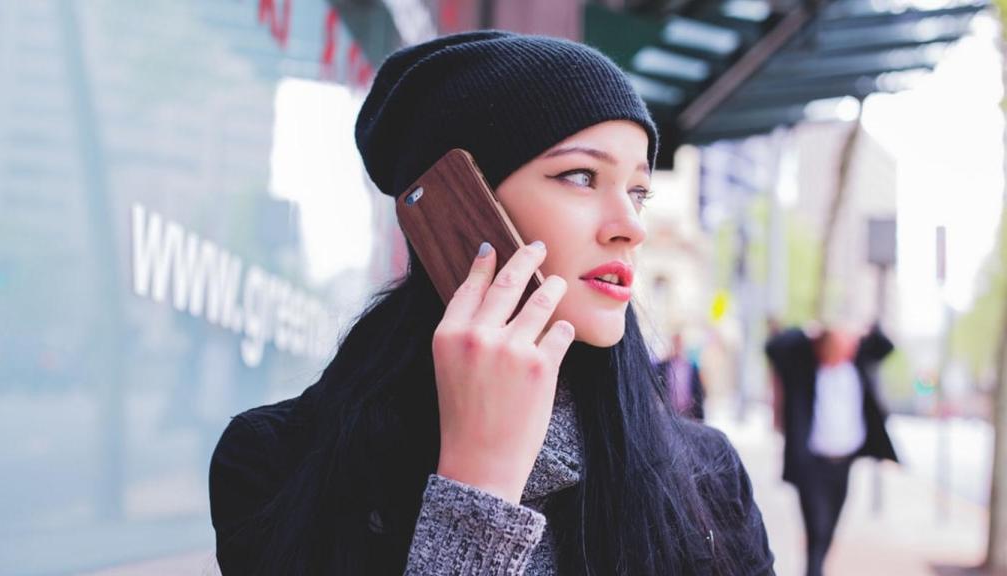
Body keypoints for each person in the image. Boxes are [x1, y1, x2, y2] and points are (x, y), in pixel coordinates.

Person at [209, 30, 774, 575]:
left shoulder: (705, 476)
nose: (631, 227)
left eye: (637, 191)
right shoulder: (277, 463)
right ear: (459, 210)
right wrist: (477, 488)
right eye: (580, 176)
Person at [765, 322, 898, 576]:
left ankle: (816, 569)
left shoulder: (857, 364)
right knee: (817, 528)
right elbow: (773, 347)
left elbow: (886, 345)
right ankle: (814, 571)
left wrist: (865, 328)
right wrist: (806, 332)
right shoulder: (804, 367)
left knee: (829, 530)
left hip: (844, 462)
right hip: (812, 465)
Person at [657, 331, 706, 420]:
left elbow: (699, 392)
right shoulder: (664, 366)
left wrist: (699, 415)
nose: (677, 346)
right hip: (669, 412)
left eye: (679, 344)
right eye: (675, 343)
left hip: (689, 413)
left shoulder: (691, 367)